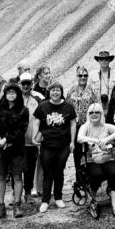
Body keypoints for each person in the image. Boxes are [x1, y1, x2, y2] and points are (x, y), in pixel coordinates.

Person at [33, 81, 77, 213]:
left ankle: (58, 197)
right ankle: (45, 200)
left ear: (61, 92)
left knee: (59, 171)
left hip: (63, 144)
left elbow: (73, 124)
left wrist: (72, 142)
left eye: (58, 90)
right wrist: (35, 137)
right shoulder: (43, 106)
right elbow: (36, 121)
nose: (55, 92)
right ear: (49, 92)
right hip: (47, 144)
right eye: (53, 90)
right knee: (47, 172)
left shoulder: (68, 107)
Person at [77, 103, 115, 216]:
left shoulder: (106, 126)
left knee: (114, 173)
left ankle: (114, 203)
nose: (94, 115)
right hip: (92, 160)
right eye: (91, 112)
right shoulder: (86, 126)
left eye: (97, 112)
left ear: (101, 114)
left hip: (107, 158)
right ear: (88, 114)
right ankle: (93, 199)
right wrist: (95, 140)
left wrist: (107, 138)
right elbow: (79, 138)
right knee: (96, 174)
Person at [0, 81, 28, 219]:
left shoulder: (23, 110)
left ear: (17, 94)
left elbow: (21, 129)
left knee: (17, 176)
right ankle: (1, 207)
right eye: (8, 92)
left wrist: (7, 139)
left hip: (16, 148)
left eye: (14, 92)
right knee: (1, 177)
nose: (11, 95)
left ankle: (17, 206)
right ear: (5, 94)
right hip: (1, 149)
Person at [66, 65, 98, 170]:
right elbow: (67, 108)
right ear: (77, 76)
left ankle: (89, 178)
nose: (83, 77)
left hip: (89, 126)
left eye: (85, 75)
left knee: (89, 151)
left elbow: (98, 107)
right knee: (77, 152)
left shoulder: (93, 90)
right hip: (75, 127)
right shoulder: (71, 90)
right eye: (80, 75)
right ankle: (78, 178)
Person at [19, 72, 44, 199]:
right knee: (16, 169)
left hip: (31, 141)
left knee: (29, 168)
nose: (26, 86)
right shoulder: (14, 97)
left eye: (28, 83)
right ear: (20, 84)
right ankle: (16, 194)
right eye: (23, 83)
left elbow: (43, 118)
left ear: (32, 84)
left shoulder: (38, 98)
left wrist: (38, 137)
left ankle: (28, 192)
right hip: (17, 141)